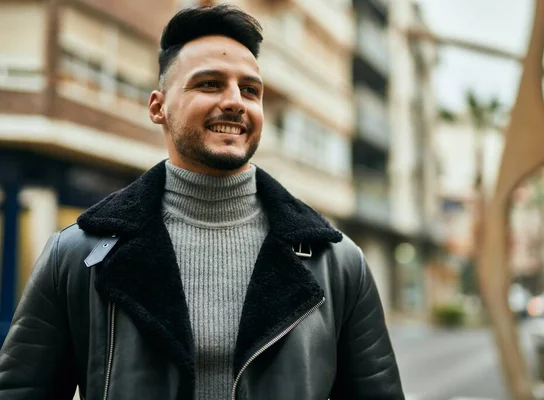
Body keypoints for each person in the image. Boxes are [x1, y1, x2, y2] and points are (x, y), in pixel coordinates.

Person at [0, 4, 404, 400]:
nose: (235, 101)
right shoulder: (76, 256)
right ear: (158, 107)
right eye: (210, 84)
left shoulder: (336, 263)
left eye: (250, 90)